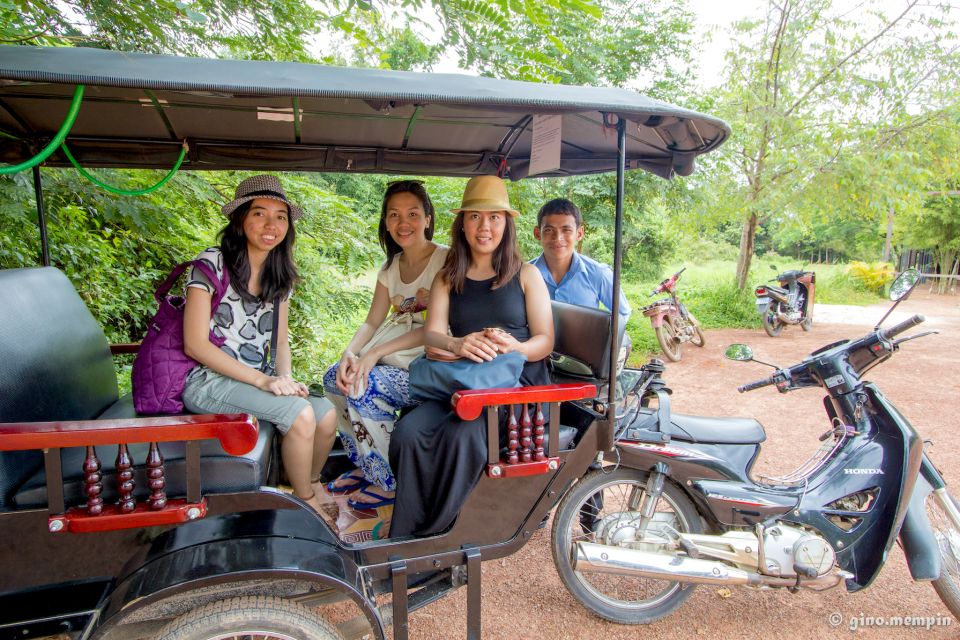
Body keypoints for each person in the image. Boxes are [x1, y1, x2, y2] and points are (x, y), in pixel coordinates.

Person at [389, 175, 554, 537]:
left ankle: (443, 533)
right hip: (464, 382)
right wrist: (459, 344)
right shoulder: (448, 277)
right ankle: (407, 532)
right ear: (462, 223)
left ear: (507, 224)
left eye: (495, 217)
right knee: (409, 431)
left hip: (513, 389)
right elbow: (432, 337)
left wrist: (515, 347)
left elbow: (544, 340)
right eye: (476, 217)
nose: (485, 227)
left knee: (461, 436)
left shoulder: (526, 275)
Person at [182, 175, 336, 513]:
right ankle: (305, 506)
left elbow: (280, 342)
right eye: (259, 213)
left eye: (281, 216)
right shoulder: (211, 263)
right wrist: (264, 381)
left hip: (255, 375)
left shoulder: (278, 274)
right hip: (208, 379)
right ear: (240, 219)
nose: (271, 225)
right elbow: (194, 344)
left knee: (326, 415)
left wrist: (285, 377)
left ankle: (307, 483)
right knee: (299, 415)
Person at [323, 180, 448, 509]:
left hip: (426, 367)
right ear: (385, 221)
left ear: (428, 219)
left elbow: (434, 330)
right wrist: (349, 353)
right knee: (334, 380)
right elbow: (372, 321)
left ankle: (391, 480)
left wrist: (374, 354)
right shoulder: (390, 268)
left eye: (412, 214)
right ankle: (365, 467)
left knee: (363, 386)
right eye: (394, 215)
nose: (403, 223)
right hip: (389, 358)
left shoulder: (445, 262)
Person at [531, 198, 632, 365]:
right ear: (537, 233)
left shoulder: (598, 274)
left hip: (585, 363)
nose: (558, 238)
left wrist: (599, 341)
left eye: (566, 230)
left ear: (579, 233)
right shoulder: (524, 275)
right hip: (538, 361)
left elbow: (622, 313)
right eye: (549, 230)